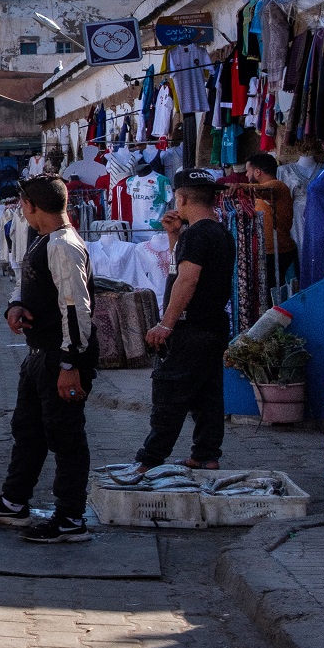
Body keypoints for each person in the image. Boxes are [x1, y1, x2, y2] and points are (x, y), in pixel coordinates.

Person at [0, 174, 98, 542]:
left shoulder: (63, 245)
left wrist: (70, 365)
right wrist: (16, 304)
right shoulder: (46, 241)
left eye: (23, 204)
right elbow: (29, 287)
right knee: (29, 430)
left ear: (31, 206)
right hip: (41, 354)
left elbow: (76, 310)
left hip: (60, 357)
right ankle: (13, 501)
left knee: (66, 438)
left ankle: (70, 517)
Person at [137, 168, 237, 469]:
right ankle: (205, 455)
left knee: (170, 393)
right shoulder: (219, 232)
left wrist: (166, 323)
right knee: (208, 393)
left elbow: (187, 281)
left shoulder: (198, 235)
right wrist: (174, 237)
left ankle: (148, 461)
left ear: (180, 198)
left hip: (191, 328)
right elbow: (180, 271)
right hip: (213, 325)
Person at [242, 152, 297, 289]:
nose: (246, 176)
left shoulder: (277, 186)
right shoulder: (262, 192)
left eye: (248, 172)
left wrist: (238, 186)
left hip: (278, 251)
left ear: (257, 172)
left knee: (273, 291)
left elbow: (265, 189)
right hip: (269, 252)